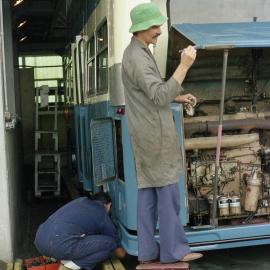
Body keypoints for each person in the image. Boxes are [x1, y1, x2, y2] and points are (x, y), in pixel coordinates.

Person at [121, 2, 203, 264]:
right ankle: (174, 252)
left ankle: (147, 252)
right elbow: (157, 96)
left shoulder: (137, 52)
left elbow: (150, 93)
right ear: (142, 28)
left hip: (145, 136)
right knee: (169, 198)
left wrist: (177, 97)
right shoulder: (137, 56)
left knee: (147, 198)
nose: (159, 30)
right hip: (154, 138)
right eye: (155, 26)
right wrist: (184, 65)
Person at [34, 192, 126, 270]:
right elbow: (119, 252)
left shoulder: (81, 201)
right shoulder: (101, 212)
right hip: (60, 245)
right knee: (110, 244)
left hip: (40, 240)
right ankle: (68, 266)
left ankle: (63, 258)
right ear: (108, 205)